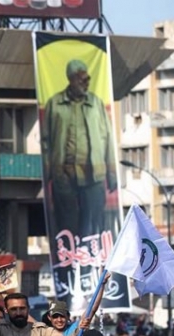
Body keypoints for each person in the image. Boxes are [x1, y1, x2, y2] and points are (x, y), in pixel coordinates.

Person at [41, 59, 117, 240]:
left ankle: (90, 257)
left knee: (93, 229)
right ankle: (69, 257)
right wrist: (47, 174)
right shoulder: (55, 104)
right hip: (64, 175)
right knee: (66, 227)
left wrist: (112, 174)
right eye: (82, 79)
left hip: (93, 175)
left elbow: (108, 140)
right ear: (71, 79)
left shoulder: (96, 104)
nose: (86, 83)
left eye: (88, 79)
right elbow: (46, 142)